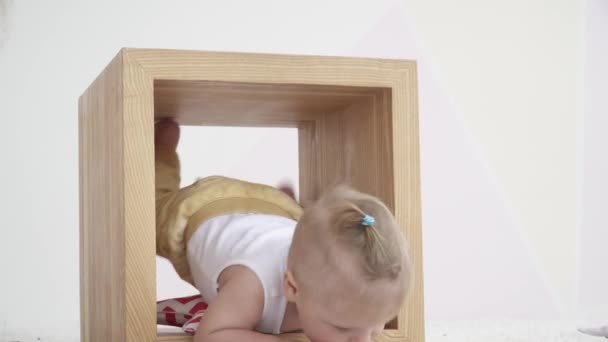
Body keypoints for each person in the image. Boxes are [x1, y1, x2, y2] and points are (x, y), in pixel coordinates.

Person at [154, 119, 412, 342]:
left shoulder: (326, 282)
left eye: (376, 327)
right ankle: (161, 151)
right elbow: (212, 334)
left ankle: (291, 202)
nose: (363, 341)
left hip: (280, 211)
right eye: (343, 329)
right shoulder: (253, 284)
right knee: (151, 213)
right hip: (206, 207)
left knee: (315, 230)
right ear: (291, 287)